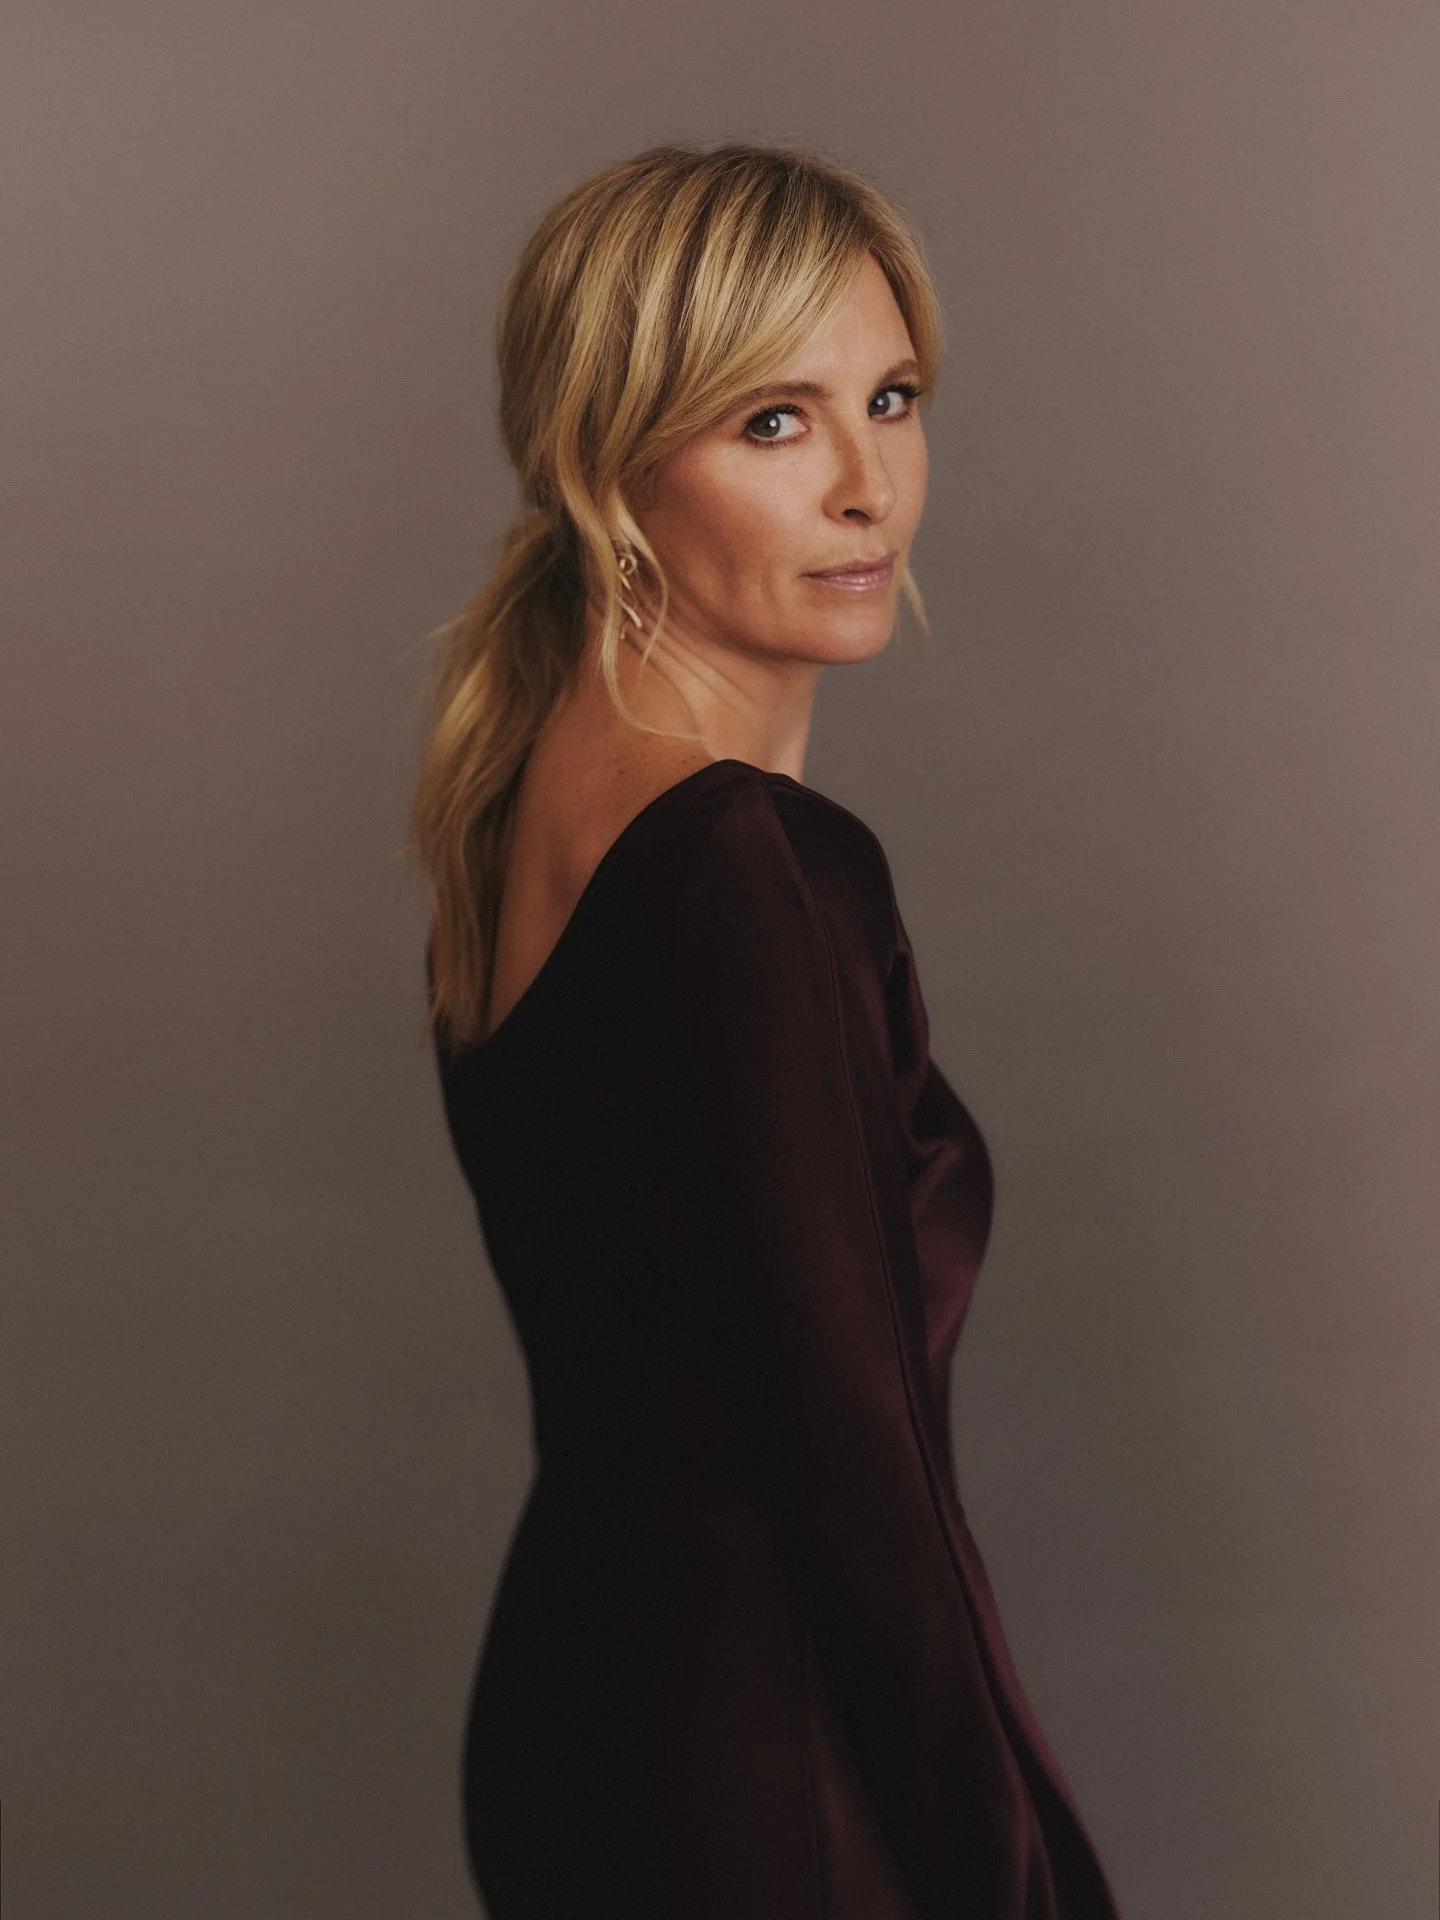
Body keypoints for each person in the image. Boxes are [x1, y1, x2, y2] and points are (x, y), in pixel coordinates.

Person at [410, 141, 1124, 1920]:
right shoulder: (750, 865)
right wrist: (1020, 1884)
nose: (869, 486)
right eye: (775, 422)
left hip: (578, 1718)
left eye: (891, 398)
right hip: (769, 1781)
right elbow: (861, 1480)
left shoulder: (520, 801)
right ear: (608, 465)